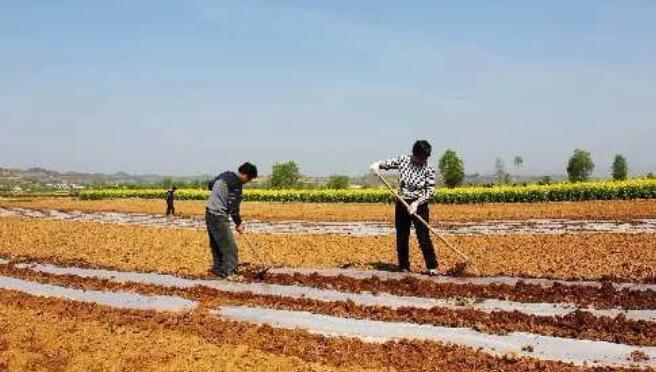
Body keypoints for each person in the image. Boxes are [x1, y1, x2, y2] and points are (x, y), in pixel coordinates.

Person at [370, 140, 439, 276]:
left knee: (423, 235)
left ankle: (432, 266)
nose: (424, 160)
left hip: (419, 205)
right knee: (402, 235)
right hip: (402, 202)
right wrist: (377, 165)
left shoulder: (429, 169)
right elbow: (388, 164)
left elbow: (429, 191)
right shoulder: (404, 160)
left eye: (426, 158)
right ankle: (403, 266)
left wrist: (416, 203)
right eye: (422, 157)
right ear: (415, 154)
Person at [206, 162, 258, 278]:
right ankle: (230, 273)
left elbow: (210, 185)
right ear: (245, 175)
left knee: (216, 245)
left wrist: (219, 193)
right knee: (230, 246)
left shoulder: (225, 175)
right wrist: (238, 224)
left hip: (209, 214)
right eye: (249, 179)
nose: (247, 182)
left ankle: (218, 270)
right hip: (219, 216)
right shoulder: (236, 184)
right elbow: (233, 207)